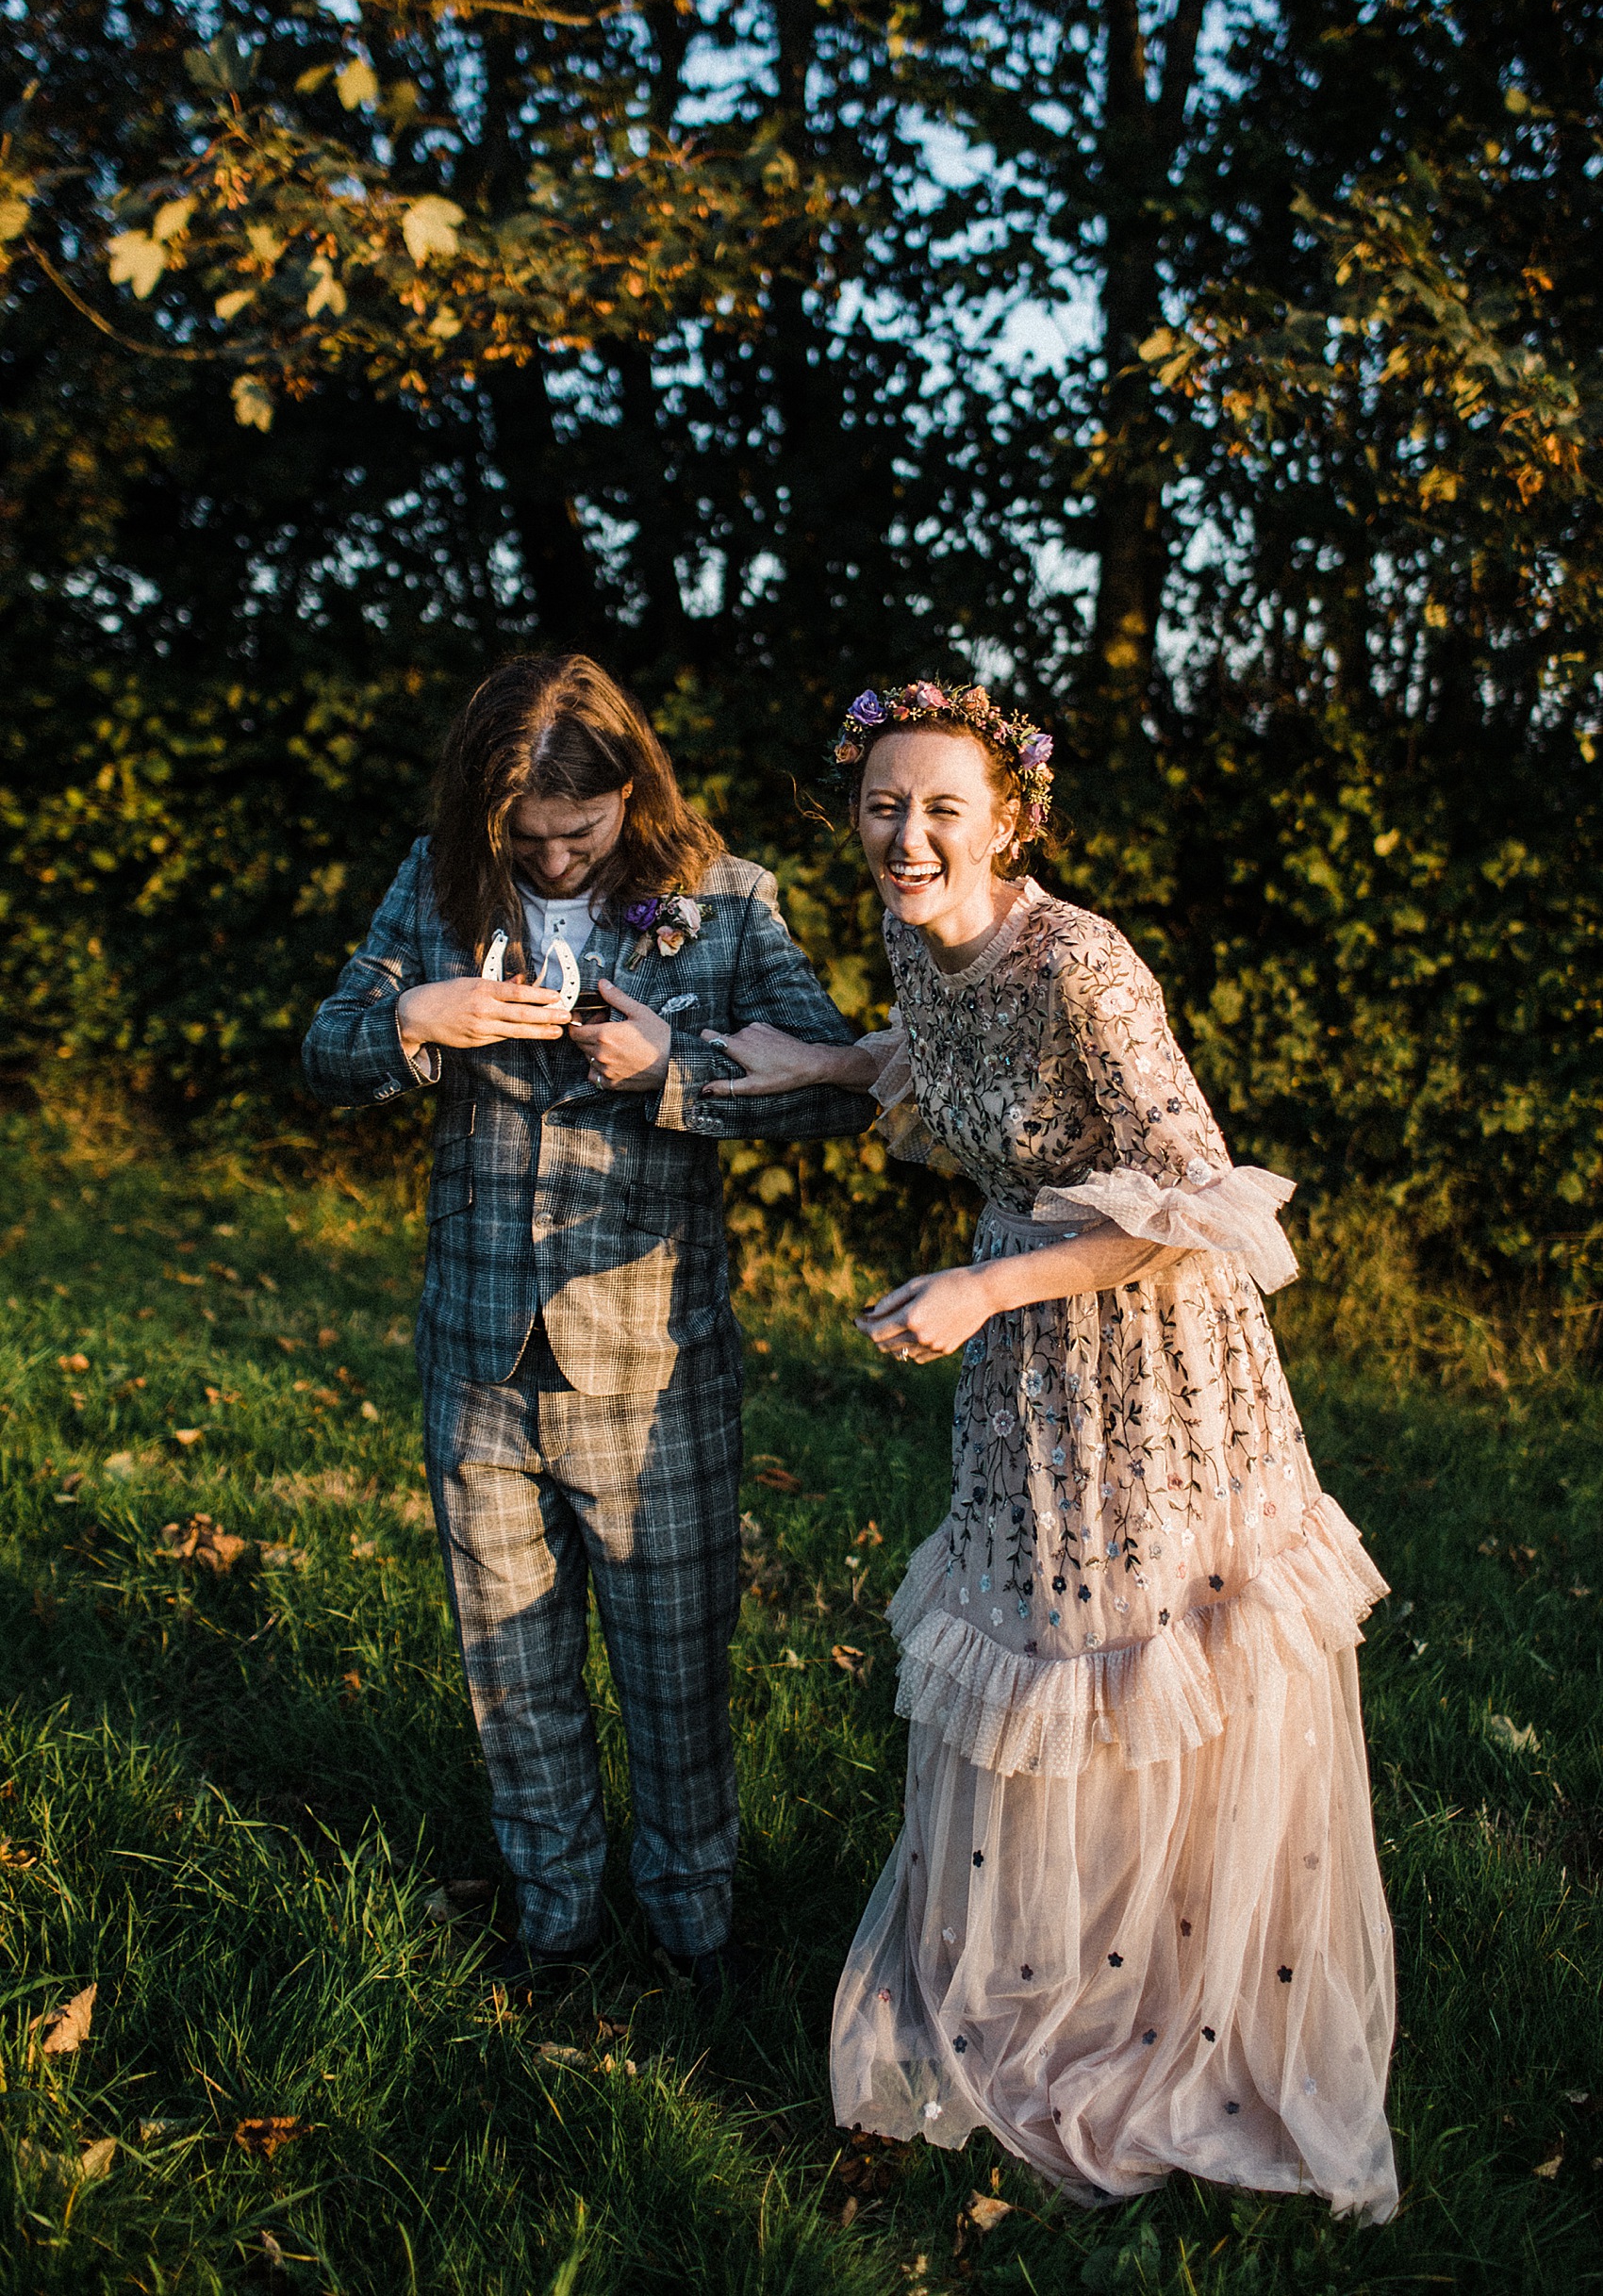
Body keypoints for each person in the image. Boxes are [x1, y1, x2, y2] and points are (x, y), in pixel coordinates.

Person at [700, 680, 1397, 2218]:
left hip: (1147, 1357)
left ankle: (1181, 2010)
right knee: (1044, 1649)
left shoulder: (1089, 963)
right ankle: (1058, 1980)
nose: (911, 834)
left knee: (1150, 1667)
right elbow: (960, 1078)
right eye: (887, 804)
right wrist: (818, 1063)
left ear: (1010, 819)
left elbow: (1203, 1200)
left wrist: (984, 1283)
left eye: (946, 807)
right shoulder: (911, 932)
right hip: (1019, 1371)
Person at [301, 653, 875, 1991]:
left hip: (651, 1368)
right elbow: (325, 1052)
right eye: (529, 837)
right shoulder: (438, 878)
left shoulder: (727, 905)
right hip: (478, 1354)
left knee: (675, 1674)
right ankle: (554, 1921)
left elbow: (839, 1088)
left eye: (583, 830)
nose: (554, 859)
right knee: (513, 1669)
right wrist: (408, 1017)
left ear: (632, 789)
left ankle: (693, 1928)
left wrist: (680, 1074)